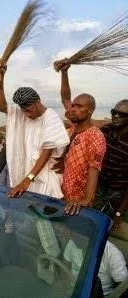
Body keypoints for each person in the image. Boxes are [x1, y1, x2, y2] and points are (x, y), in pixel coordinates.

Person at [0, 59, 70, 198]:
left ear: (38, 101)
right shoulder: (24, 114)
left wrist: (28, 180)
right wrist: (0, 81)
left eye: (28, 110)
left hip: (45, 183)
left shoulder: (51, 117)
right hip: (26, 181)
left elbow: (46, 153)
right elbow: (2, 107)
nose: (26, 115)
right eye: (23, 111)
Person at [54, 59, 106, 215]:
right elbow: (65, 98)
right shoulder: (75, 127)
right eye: (73, 106)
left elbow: (94, 169)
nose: (73, 109)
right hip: (62, 194)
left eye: (79, 106)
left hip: (77, 203)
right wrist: (64, 72)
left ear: (89, 110)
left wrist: (86, 199)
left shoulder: (95, 136)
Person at [94, 100, 128, 228]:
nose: (116, 116)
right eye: (114, 112)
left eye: (122, 114)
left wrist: (119, 213)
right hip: (97, 184)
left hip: (116, 192)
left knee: (104, 226)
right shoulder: (105, 130)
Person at [63, 239, 128, 296]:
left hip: (99, 296)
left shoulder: (112, 254)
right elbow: (63, 269)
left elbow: (122, 288)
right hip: (73, 291)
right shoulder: (72, 242)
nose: (72, 234)